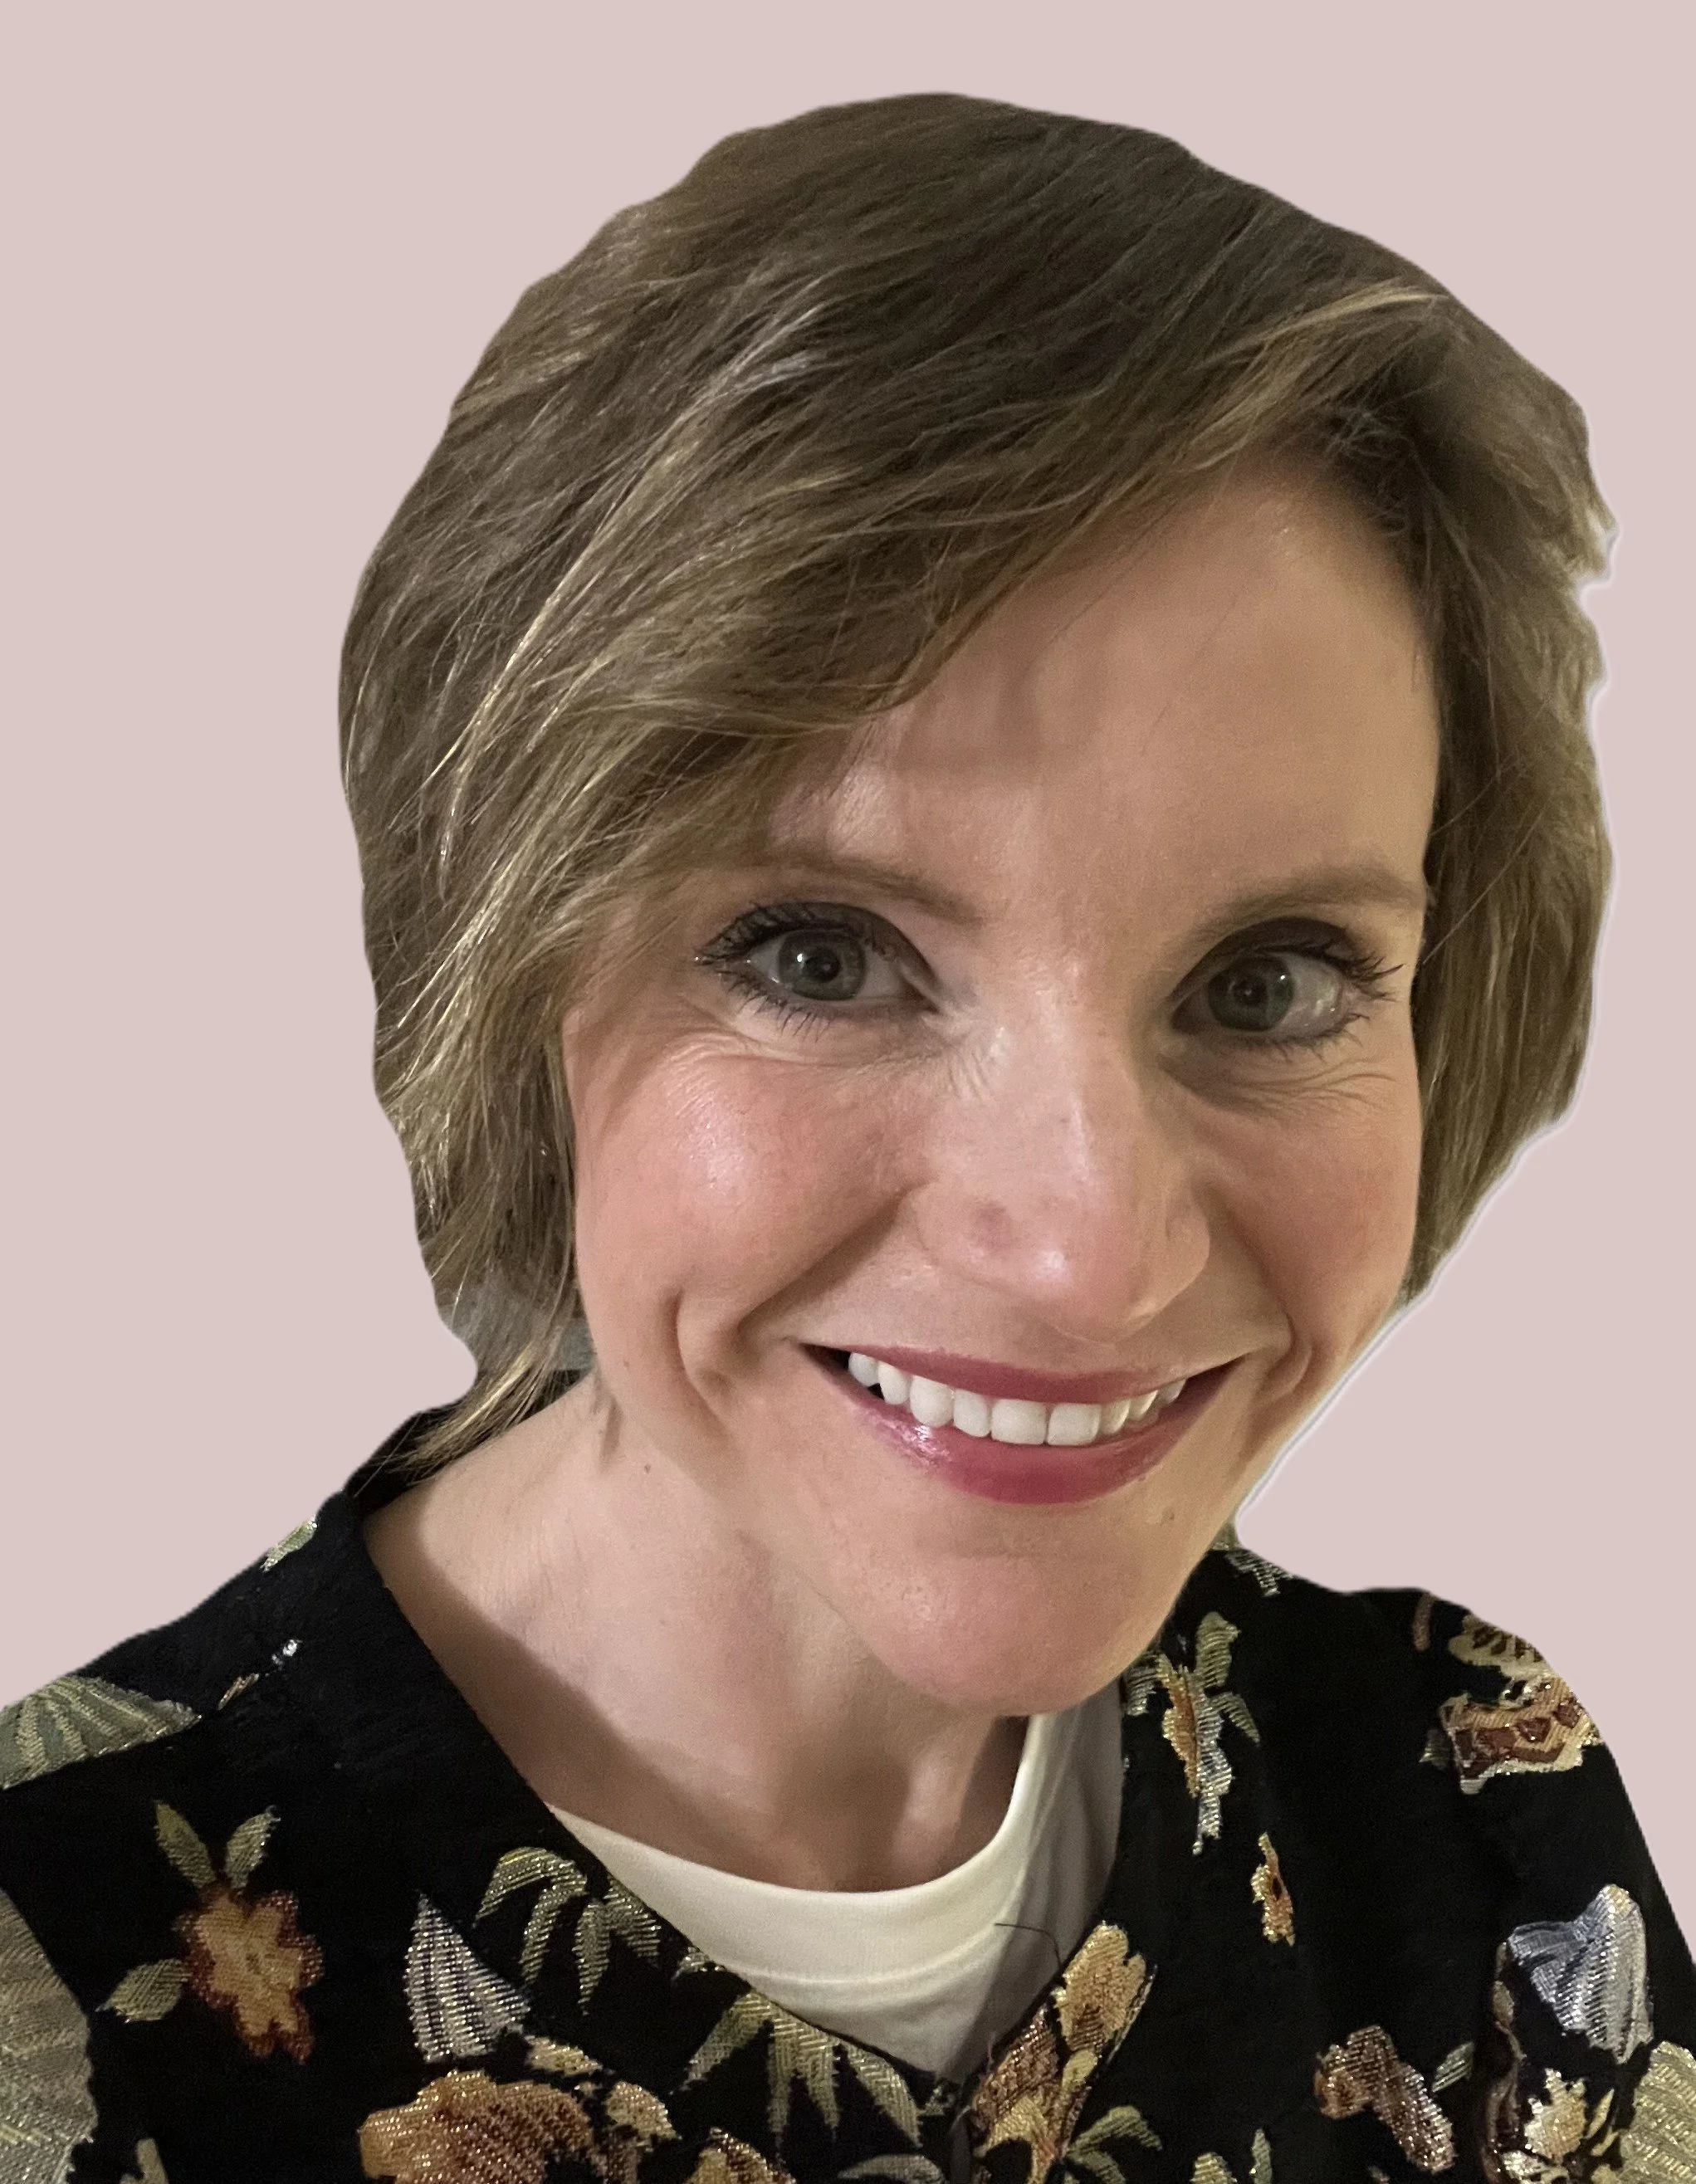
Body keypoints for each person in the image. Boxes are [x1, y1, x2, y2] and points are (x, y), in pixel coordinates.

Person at [1, 92, 1690, 2184]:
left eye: (1266, 983)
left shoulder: (1479, 1837)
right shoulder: (55, 1992)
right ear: (506, 968)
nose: (1093, 1250)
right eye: (815, 955)